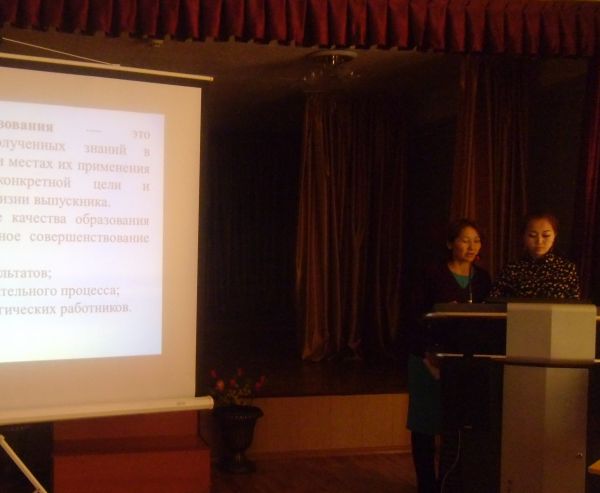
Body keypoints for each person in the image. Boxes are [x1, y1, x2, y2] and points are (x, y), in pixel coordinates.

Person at [407, 218, 491, 493]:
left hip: (462, 359)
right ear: (449, 243)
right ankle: (426, 485)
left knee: (455, 426)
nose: (471, 246)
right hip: (427, 356)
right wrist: (429, 350)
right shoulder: (431, 273)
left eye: (476, 240)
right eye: (465, 240)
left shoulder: (483, 278)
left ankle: (449, 482)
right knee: (425, 424)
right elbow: (414, 315)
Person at [488, 212, 581, 300]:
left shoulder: (566, 268)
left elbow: (575, 304)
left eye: (546, 235)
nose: (539, 241)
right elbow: (495, 302)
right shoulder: (512, 269)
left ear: (554, 235)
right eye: (532, 235)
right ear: (524, 236)